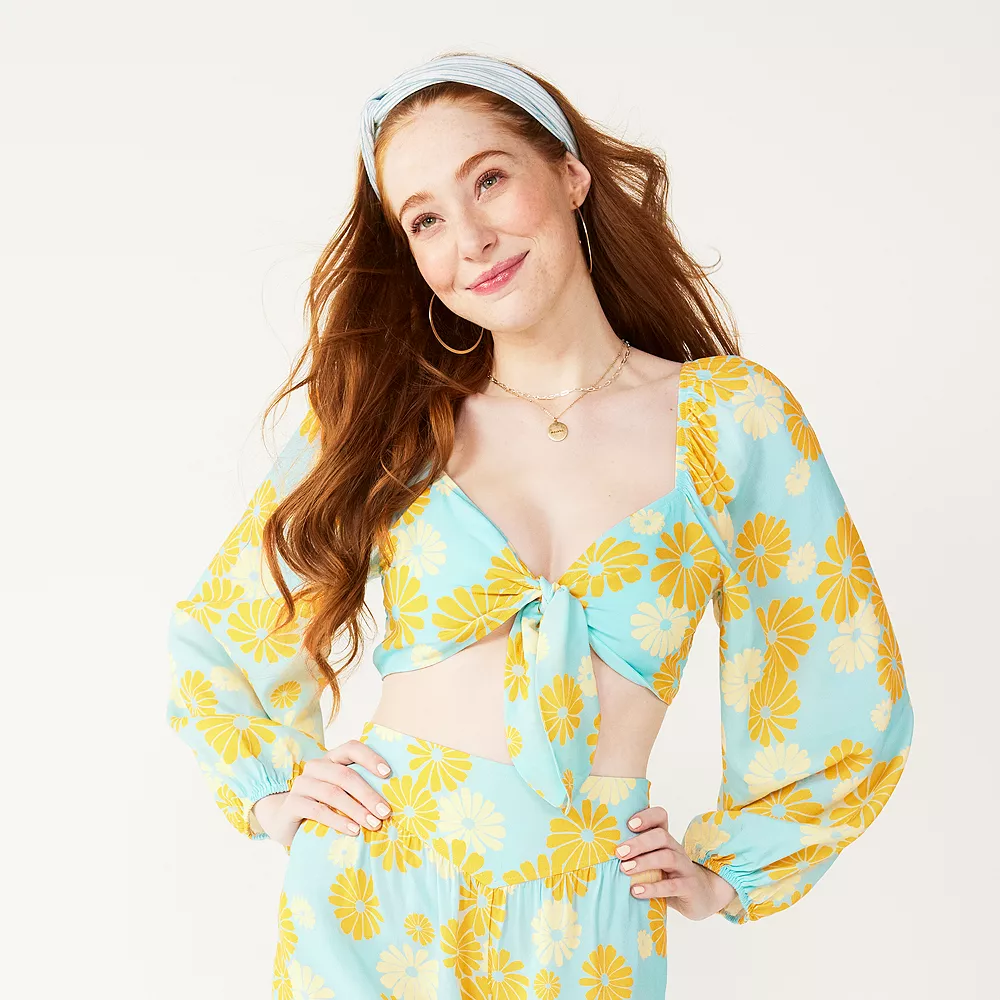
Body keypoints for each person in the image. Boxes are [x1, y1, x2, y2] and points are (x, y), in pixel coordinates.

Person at [165, 50, 915, 1000]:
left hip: (588, 909)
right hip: (374, 886)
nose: (471, 239)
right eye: (426, 220)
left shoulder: (733, 420)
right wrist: (275, 791)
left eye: (489, 180)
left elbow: (841, 677)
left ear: (569, 173)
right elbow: (226, 629)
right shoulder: (392, 417)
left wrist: (732, 871)